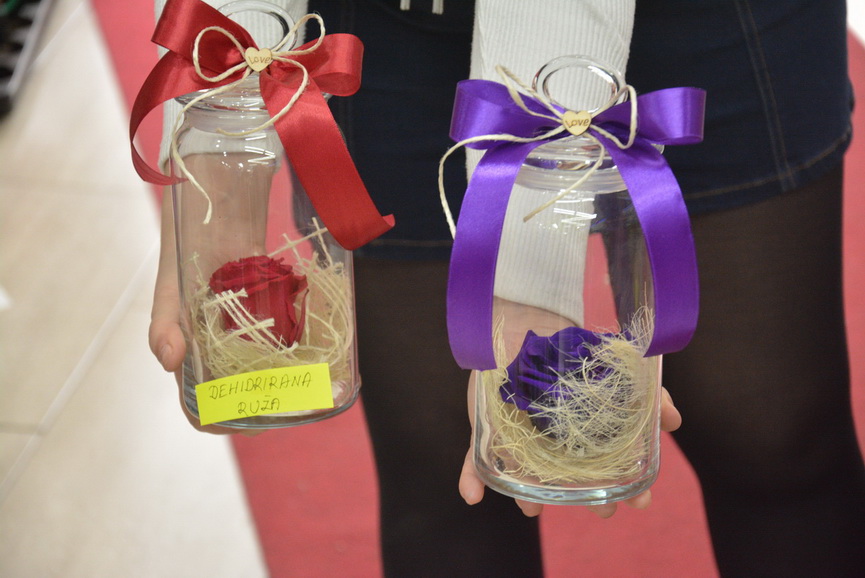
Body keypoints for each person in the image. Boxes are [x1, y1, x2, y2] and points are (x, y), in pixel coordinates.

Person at [147, 0, 865, 576]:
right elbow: (221, 63)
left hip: (708, 19)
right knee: (446, 474)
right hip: (394, 28)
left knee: (775, 436)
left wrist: (528, 261)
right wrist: (220, 128)